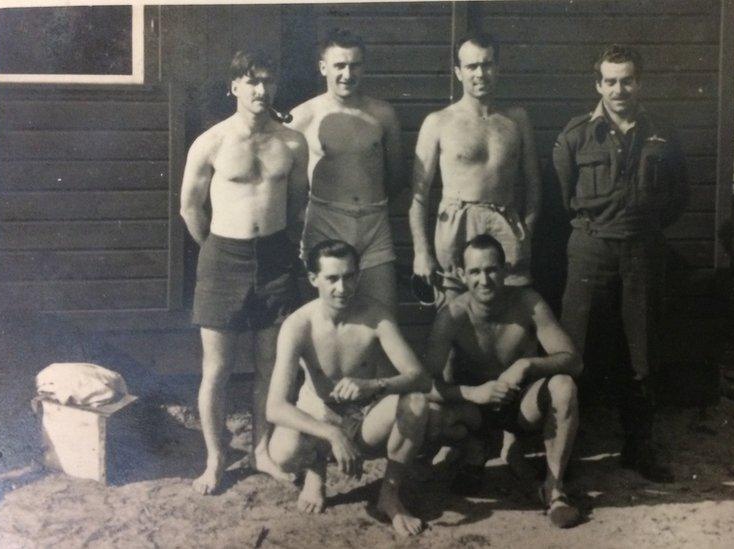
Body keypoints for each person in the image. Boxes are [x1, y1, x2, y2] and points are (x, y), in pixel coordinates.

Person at [552, 45, 689, 484]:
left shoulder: (662, 134)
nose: (619, 89)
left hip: (642, 253)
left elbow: (679, 197)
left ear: (639, 83)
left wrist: (640, 229)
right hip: (591, 251)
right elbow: (563, 199)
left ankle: (638, 448)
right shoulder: (576, 136)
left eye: (627, 80)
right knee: (578, 350)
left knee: (642, 352)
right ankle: (567, 453)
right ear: (598, 85)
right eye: (610, 81)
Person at [180, 49, 309, 495]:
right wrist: (216, 250)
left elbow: (296, 208)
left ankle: (261, 451)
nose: (261, 90)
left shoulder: (292, 143)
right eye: (252, 81)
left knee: (269, 365)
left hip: (275, 258)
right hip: (222, 259)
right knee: (216, 369)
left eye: (268, 81)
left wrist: (280, 251)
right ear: (234, 86)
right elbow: (190, 208)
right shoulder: (212, 141)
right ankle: (215, 459)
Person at [263, 239, 431, 537]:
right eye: (332, 278)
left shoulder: (375, 316)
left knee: (416, 402)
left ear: (358, 275)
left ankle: (389, 494)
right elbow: (274, 407)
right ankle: (316, 469)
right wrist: (332, 432)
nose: (342, 288)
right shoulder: (298, 325)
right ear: (314, 279)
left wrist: (374, 384)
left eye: (349, 276)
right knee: (282, 453)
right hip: (320, 416)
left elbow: (420, 378)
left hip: (365, 417)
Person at [424, 235, 583, 529]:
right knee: (429, 412)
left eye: (492, 270)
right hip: (474, 411)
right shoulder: (452, 316)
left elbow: (573, 361)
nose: (484, 280)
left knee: (564, 386)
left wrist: (526, 364)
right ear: (461, 274)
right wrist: (474, 393)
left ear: (506, 269)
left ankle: (553, 487)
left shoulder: (528, 303)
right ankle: (475, 451)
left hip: (519, 406)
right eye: (474, 272)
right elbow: (424, 384)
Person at [410, 30, 541, 302]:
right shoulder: (438, 122)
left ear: (498, 68)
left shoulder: (516, 120)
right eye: (471, 66)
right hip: (456, 226)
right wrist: (421, 252)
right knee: (456, 313)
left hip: (505, 225)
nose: (480, 74)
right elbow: (419, 196)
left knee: (513, 315)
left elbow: (534, 184)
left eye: (487, 64)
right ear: (458, 72)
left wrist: (525, 231)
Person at [288, 29, 405, 310]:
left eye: (355, 65)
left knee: (382, 315)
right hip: (326, 221)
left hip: (374, 223)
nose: (347, 74)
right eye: (339, 65)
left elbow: (397, 178)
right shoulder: (302, 117)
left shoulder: (383, 114)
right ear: (323, 67)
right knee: (325, 319)